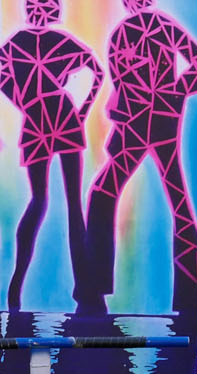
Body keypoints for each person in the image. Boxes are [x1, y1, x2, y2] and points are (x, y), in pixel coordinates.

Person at [75, 0, 197, 315]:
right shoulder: (130, 31)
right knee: (171, 198)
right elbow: (124, 87)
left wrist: (173, 94)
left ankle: (96, 290)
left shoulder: (149, 27)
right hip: (141, 122)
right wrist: (173, 95)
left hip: (151, 121)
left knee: (114, 194)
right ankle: (185, 296)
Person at [0, 0, 100, 311]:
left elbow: (97, 71)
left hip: (53, 118)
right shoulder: (23, 43)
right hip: (53, 118)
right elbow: (96, 72)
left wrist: (25, 102)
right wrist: (26, 102)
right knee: (48, 201)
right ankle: (18, 286)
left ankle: (79, 288)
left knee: (65, 203)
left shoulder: (19, 44)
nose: (39, 11)